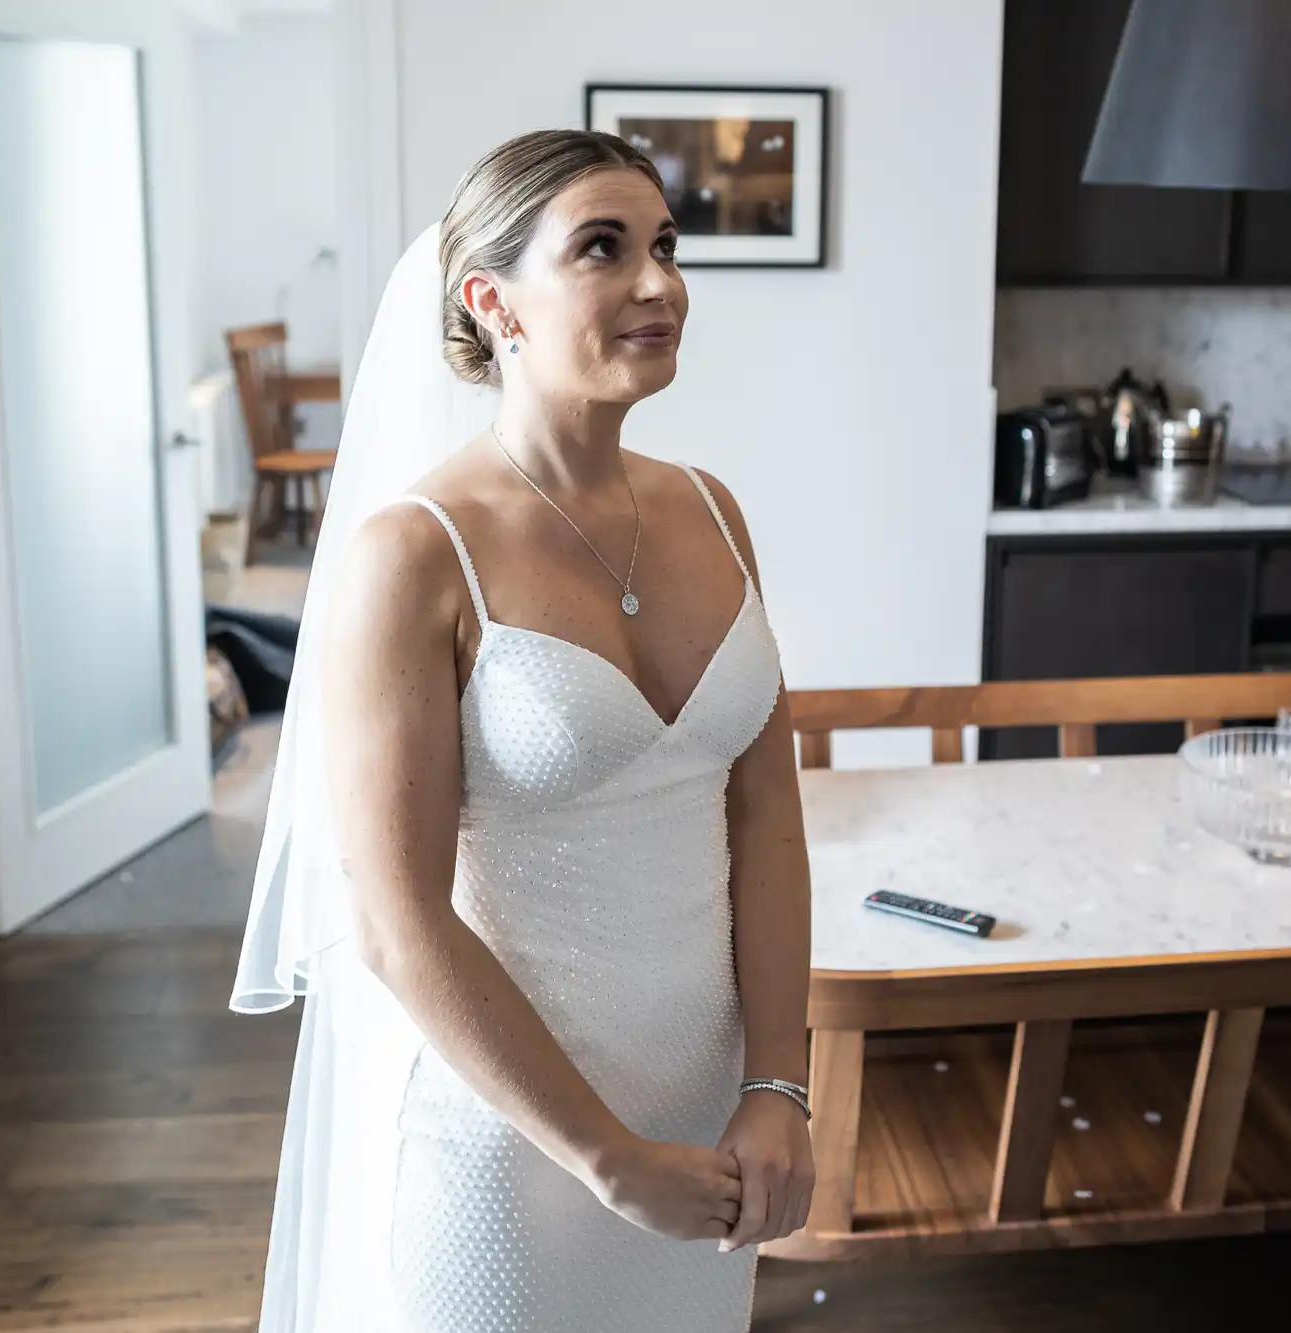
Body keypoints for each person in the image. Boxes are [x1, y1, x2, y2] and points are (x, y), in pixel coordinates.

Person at [230, 128, 815, 1333]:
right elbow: (396, 923)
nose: (658, 283)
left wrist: (776, 1085)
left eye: (664, 244)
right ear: (492, 302)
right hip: (511, 1142)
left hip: (709, 1119)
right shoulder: (412, 556)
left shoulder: (715, 512)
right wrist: (604, 1156)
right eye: (601, 249)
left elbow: (765, 817)